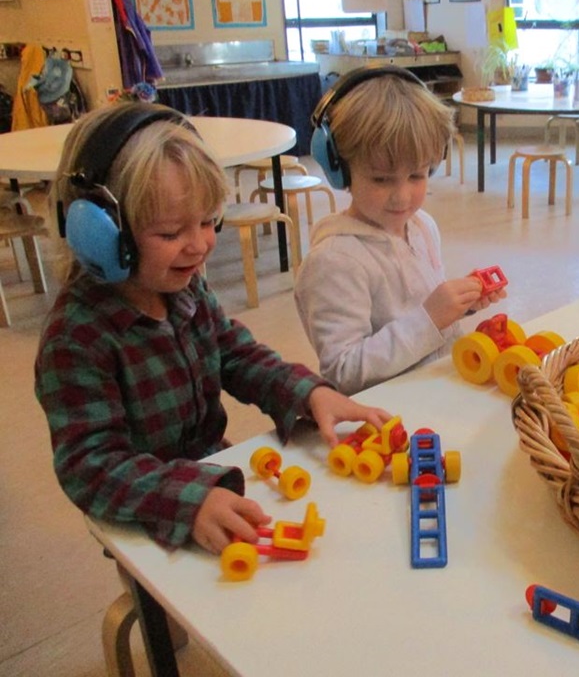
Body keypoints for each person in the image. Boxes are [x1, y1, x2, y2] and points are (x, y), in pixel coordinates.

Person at [34, 102, 392, 554]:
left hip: (215, 477)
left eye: (208, 221)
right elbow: (89, 465)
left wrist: (308, 393)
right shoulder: (76, 338)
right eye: (170, 233)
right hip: (146, 516)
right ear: (100, 234)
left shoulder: (182, 289)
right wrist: (189, 501)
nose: (201, 244)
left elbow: (235, 353)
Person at [295, 66, 506, 395]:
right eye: (381, 179)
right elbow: (343, 371)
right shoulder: (334, 262)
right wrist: (430, 318)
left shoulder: (422, 227)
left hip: (440, 388)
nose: (402, 196)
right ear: (340, 169)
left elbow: (420, 308)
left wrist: (461, 305)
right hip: (393, 410)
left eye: (417, 176)